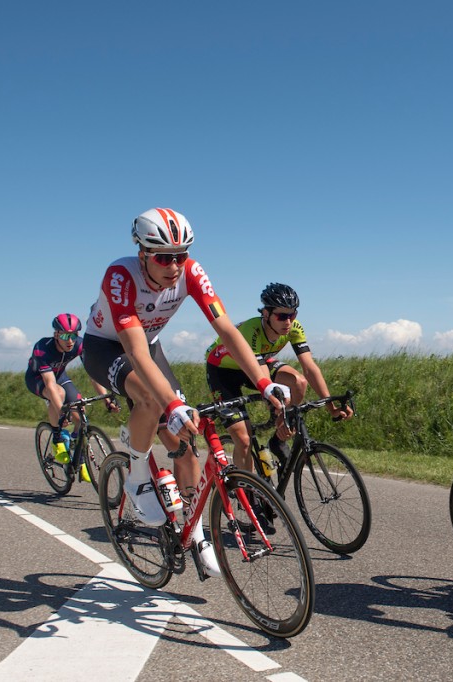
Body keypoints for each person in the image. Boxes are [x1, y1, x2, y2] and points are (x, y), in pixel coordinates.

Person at [82, 207, 290, 578]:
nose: (175, 265)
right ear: (143, 252)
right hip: (107, 348)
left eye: (181, 255)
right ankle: (135, 474)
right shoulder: (121, 275)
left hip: (150, 346)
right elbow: (134, 352)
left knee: (186, 439)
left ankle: (193, 529)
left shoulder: (191, 272)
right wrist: (173, 402)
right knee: (150, 398)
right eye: (164, 257)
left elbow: (227, 330)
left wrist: (263, 381)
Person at [204, 282, 353, 474]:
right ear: (266, 314)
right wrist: (277, 406)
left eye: (292, 315)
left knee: (299, 382)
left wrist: (330, 406)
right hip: (223, 371)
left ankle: (278, 439)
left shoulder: (294, 328)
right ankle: (248, 493)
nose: (288, 322)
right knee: (244, 439)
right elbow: (263, 380)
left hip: (260, 362)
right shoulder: (252, 331)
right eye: (282, 316)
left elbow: (309, 368)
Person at [25, 313, 118, 465]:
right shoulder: (42, 348)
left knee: (80, 413)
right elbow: (49, 383)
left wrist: (106, 399)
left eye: (73, 336)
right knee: (58, 394)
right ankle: (57, 437)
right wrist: (62, 411)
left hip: (60, 376)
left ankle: (75, 442)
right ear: (56, 334)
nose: (70, 341)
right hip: (37, 379)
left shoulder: (80, 345)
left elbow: (93, 374)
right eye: (64, 337)